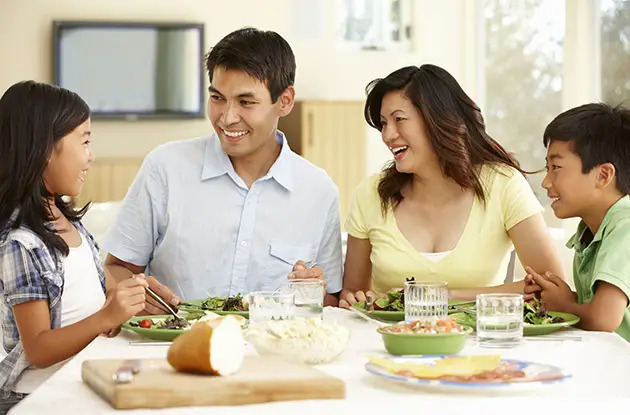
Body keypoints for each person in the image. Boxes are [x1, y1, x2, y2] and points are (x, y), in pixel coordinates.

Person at [103, 27, 342, 312]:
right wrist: (137, 299)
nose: (227, 118)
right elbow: (117, 269)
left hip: (270, 351)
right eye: (217, 98)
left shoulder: (318, 191)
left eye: (246, 102)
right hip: (173, 347)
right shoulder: (165, 168)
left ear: (285, 101)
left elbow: (330, 301)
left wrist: (313, 292)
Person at [339, 64, 564, 308]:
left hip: (481, 343)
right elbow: (353, 293)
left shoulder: (503, 184)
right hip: (388, 343)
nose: (388, 135)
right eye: (383, 123)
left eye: (399, 119)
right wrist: (353, 299)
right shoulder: (371, 193)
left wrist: (440, 296)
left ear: (438, 119)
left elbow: (552, 286)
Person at [0, 81, 147, 412]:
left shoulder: (70, 224)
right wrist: (107, 316)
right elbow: (37, 349)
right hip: (39, 397)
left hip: (82, 381)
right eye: (85, 141)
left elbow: (88, 285)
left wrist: (142, 290)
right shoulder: (21, 243)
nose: (91, 157)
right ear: (43, 148)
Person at [525, 103, 630, 341]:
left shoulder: (625, 224)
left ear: (602, 176)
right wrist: (554, 296)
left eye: (556, 168)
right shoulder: (588, 232)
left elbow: (604, 318)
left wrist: (565, 304)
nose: (546, 182)